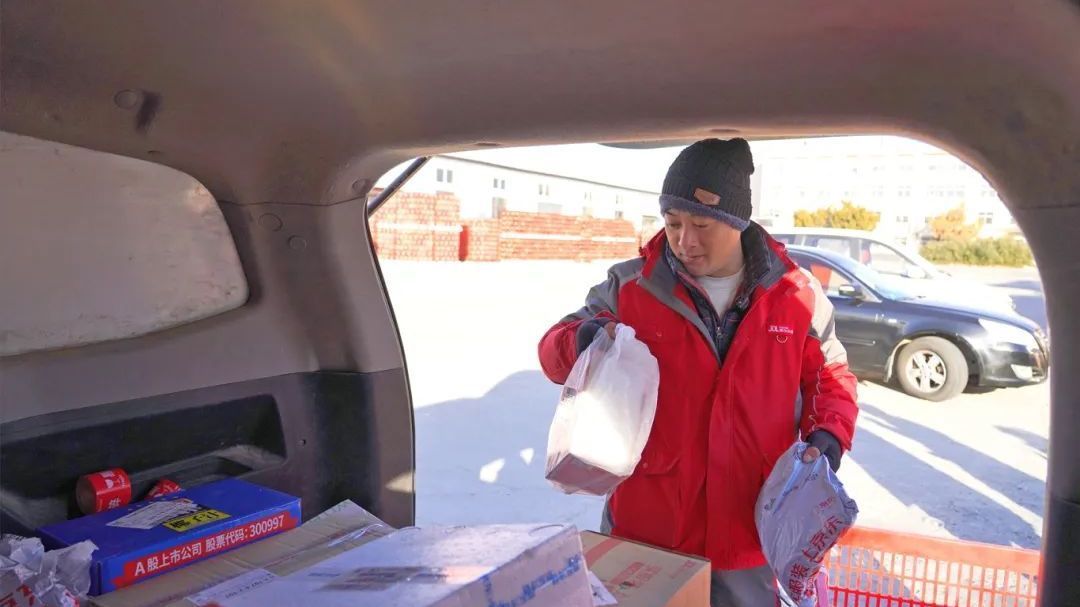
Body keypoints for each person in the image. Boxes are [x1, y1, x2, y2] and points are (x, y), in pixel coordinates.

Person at [538, 138, 859, 607]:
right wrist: (582, 340)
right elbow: (552, 349)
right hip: (648, 531)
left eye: (701, 224)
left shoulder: (796, 295)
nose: (684, 240)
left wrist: (829, 434)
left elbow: (832, 377)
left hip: (750, 534)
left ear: (737, 221)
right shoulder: (631, 286)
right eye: (673, 223)